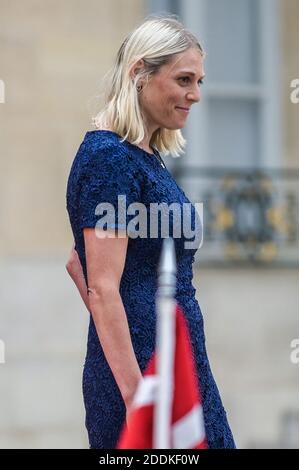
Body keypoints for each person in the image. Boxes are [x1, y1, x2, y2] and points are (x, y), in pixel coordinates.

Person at [66, 15, 235, 449]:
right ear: (140, 73)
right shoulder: (111, 158)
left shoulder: (143, 156)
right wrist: (137, 393)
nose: (195, 95)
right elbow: (102, 286)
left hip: (177, 359)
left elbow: (76, 262)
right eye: (183, 79)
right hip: (142, 372)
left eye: (198, 80)